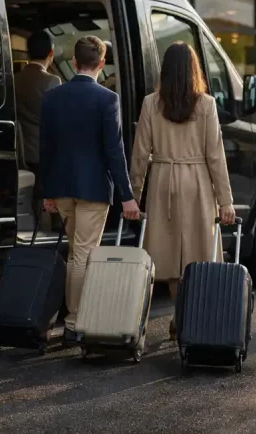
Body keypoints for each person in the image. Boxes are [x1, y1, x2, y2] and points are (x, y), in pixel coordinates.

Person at [129, 42, 235, 340]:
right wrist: (225, 200)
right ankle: (188, 317)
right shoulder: (206, 104)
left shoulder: (151, 103)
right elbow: (215, 155)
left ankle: (179, 314)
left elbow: (140, 153)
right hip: (197, 182)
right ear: (193, 69)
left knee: (171, 254)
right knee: (197, 252)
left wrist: (134, 195)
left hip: (163, 182)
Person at [40, 35, 140, 337]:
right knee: (83, 254)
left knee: (76, 252)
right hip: (94, 189)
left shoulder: (53, 97)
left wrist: (47, 192)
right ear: (102, 63)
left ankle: (70, 318)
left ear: (74, 62)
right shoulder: (107, 99)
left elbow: (46, 149)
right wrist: (127, 197)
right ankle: (74, 322)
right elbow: (114, 152)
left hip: (63, 187)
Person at [14, 30, 61, 175]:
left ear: (28, 53)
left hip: (20, 153)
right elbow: (57, 119)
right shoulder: (52, 81)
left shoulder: (15, 79)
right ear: (51, 53)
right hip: (44, 154)